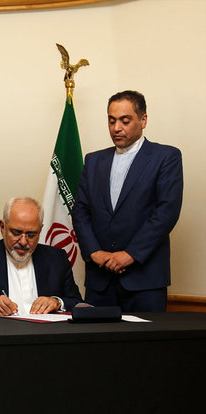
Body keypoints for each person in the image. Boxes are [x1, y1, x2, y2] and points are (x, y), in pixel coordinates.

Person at [72, 90, 183, 312]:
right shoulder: (93, 161)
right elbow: (80, 211)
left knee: (145, 346)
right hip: (100, 281)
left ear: (143, 120)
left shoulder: (166, 157)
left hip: (145, 281)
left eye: (125, 120)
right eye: (111, 121)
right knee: (96, 345)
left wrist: (130, 254)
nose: (116, 128)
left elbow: (166, 212)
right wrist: (95, 252)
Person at [0, 197, 82, 317]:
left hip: (46, 336)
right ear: (2, 227)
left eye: (31, 235)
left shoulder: (57, 259)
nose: (23, 242)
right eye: (16, 233)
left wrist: (57, 302)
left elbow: (79, 304)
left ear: (40, 230)